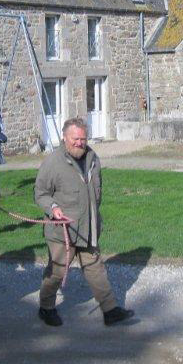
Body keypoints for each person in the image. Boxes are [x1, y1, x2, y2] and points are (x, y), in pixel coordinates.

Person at [34, 117, 134, 327]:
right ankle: (46, 307)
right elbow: (40, 193)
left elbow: (97, 191)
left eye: (83, 138)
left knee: (95, 268)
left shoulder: (93, 158)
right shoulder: (52, 163)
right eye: (75, 139)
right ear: (64, 138)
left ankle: (110, 310)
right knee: (58, 270)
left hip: (88, 228)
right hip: (62, 231)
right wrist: (53, 208)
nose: (79, 143)